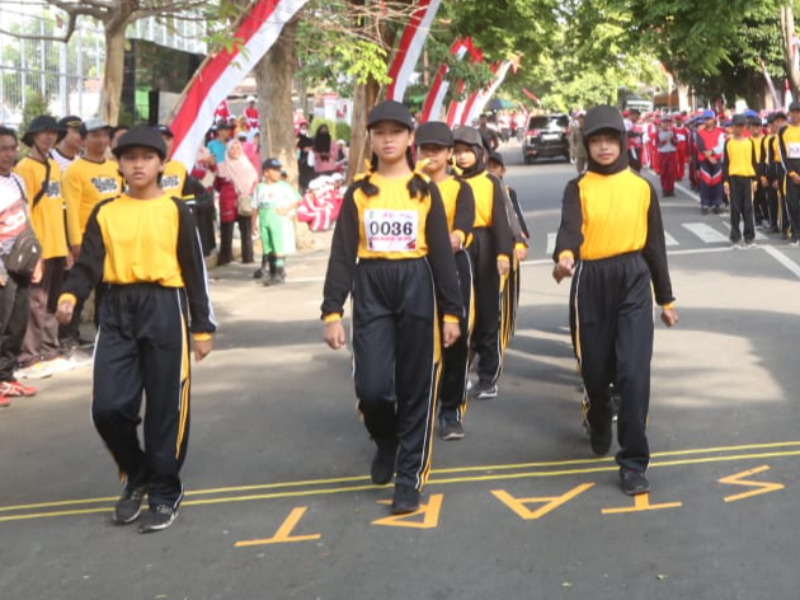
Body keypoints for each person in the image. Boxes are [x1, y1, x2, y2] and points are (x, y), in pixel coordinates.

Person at [55, 124, 216, 533]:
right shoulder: (106, 211)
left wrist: (202, 326)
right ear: (119, 165)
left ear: (162, 163)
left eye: (146, 157)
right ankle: (137, 472)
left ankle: (165, 489)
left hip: (165, 307)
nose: (138, 164)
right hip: (118, 308)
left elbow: (195, 272)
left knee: (166, 407)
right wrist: (71, 295)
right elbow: (88, 264)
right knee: (107, 407)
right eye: (129, 158)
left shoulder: (176, 209)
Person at [321, 101, 462, 514]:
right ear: (371, 138)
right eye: (379, 132)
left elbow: (440, 255)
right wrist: (332, 311)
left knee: (416, 385)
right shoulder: (359, 192)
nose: (387, 139)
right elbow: (343, 253)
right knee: (372, 386)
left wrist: (451, 312)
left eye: (395, 132)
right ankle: (386, 438)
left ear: (409, 139)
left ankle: (408, 478)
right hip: (372, 285)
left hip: (416, 281)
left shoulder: (425, 189)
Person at [552, 105, 678, 496]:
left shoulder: (641, 187)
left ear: (622, 142)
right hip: (590, 280)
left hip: (634, 279)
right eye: (596, 141)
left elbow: (655, 246)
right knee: (595, 373)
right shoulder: (578, 187)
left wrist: (666, 298)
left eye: (610, 140)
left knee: (634, 374)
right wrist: (565, 256)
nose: (604, 148)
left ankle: (634, 461)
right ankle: (599, 413)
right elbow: (570, 229)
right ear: (586, 145)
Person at [415, 121, 475, 441]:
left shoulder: (459, 187)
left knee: (455, 337)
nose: (431, 155)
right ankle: (417, 405)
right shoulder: (409, 186)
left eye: (437, 150)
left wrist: (455, 236)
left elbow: (465, 221)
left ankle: (450, 410)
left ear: (449, 153)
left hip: (452, 264)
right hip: (415, 268)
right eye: (425, 149)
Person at [452, 126, 514, 400]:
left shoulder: (491, 182)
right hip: (459, 246)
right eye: (457, 152)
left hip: (487, 244)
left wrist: (504, 253)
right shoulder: (450, 182)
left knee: (489, 310)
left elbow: (502, 220)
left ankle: (488, 376)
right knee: (459, 310)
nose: (462, 157)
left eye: (467, 151)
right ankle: (459, 372)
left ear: (479, 152)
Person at [14, 116, 72, 379]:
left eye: (53, 133)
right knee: (35, 303)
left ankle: (49, 349)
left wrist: (67, 247)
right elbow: (23, 211)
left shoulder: (53, 166)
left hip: (58, 244)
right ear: (33, 137)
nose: (49, 137)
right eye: (43, 133)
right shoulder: (24, 168)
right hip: (38, 247)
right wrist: (32, 250)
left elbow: (58, 207)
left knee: (52, 302)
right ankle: (29, 355)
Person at [61, 118, 122, 348]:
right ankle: (67, 338)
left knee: (106, 291)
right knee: (79, 290)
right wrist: (76, 243)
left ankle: (103, 334)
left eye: (105, 135)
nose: (102, 140)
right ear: (83, 139)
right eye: (95, 135)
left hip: (113, 239)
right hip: (87, 240)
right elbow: (72, 209)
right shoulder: (74, 170)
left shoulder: (115, 168)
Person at [0, 126, 39, 407]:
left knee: (17, 323)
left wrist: (37, 258)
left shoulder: (18, 181)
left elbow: (27, 218)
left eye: (13, 148)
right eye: (3, 148)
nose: (9, 154)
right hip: (2, 265)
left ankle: (6, 377)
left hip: (22, 261)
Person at [252, 158, 299, 286]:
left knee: (278, 246)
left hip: (277, 219)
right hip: (264, 218)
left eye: (279, 170)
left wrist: (286, 210)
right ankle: (272, 271)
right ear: (266, 173)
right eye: (275, 170)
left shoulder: (283, 186)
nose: (278, 173)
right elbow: (255, 206)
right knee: (268, 247)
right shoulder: (259, 188)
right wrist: (253, 224)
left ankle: (278, 272)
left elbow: (295, 200)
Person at [213, 139, 257, 265]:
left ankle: (248, 257)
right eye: (232, 148)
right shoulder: (222, 166)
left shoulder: (247, 165)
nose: (235, 151)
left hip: (244, 201)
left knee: (246, 230)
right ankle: (225, 258)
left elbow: (254, 182)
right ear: (227, 150)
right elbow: (217, 184)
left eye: (238, 148)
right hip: (227, 202)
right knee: (227, 230)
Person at [723, 114, 758, 249]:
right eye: (737, 126)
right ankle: (735, 236)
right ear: (732, 127)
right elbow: (725, 164)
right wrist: (725, 182)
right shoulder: (729, 143)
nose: (739, 129)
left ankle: (749, 236)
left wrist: (755, 181)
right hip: (733, 178)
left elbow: (754, 161)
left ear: (745, 127)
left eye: (742, 126)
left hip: (747, 178)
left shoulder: (749, 143)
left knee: (748, 208)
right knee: (735, 209)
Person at [778, 101, 800, 246]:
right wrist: (792, 173)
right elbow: (782, 155)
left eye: (798, 111)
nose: (796, 114)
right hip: (792, 175)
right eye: (793, 112)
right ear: (789, 113)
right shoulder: (783, 131)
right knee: (793, 206)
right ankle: (795, 235)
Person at [696, 110, 726, 214]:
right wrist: (709, 157)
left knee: (717, 183)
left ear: (714, 119)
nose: (707, 121)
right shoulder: (700, 133)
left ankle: (716, 203)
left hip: (717, 160)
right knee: (705, 183)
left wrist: (712, 152)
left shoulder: (720, 132)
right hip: (705, 161)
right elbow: (700, 147)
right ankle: (705, 204)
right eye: (705, 119)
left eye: (709, 119)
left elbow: (721, 145)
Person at [158, 126, 188, 198]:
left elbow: (188, 196)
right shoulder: (144, 167)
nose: (165, 143)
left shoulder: (180, 167)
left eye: (168, 139)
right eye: (160, 139)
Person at [656, 116, 678, 197]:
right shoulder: (658, 133)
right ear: (661, 124)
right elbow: (657, 144)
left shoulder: (672, 132)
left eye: (668, 123)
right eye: (664, 123)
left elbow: (676, 142)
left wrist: (672, 139)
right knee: (664, 172)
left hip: (671, 153)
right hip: (663, 154)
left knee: (671, 172)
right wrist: (664, 141)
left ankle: (671, 189)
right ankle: (665, 189)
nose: (666, 124)